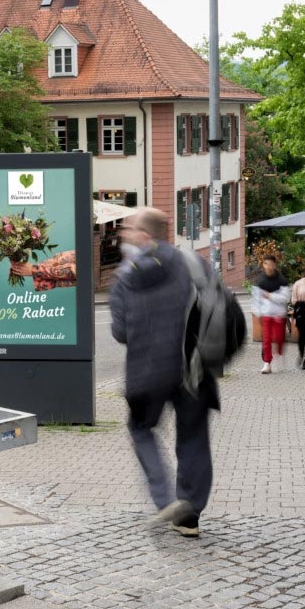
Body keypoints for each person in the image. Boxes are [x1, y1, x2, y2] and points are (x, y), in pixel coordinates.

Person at [110, 208, 218, 538]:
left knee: (141, 429)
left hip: (147, 371)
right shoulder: (192, 262)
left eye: (129, 229)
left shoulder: (125, 275)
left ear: (144, 235)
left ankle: (165, 498)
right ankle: (188, 513)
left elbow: (120, 333)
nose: (124, 235)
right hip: (193, 368)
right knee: (194, 437)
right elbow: (215, 304)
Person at [252, 255, 291, 374]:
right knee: (267, 339)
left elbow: (285, 298)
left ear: (275, 265)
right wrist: (257, 312)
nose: (269, 266)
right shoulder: (259, 281)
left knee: (279, 338)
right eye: (266, 264)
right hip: (266, 314)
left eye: (271, 264)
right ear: (263, 265)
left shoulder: (281, 280)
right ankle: (267, 363)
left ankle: (279, 353)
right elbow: (256, 298)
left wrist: (270, 296)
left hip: (279, 314)